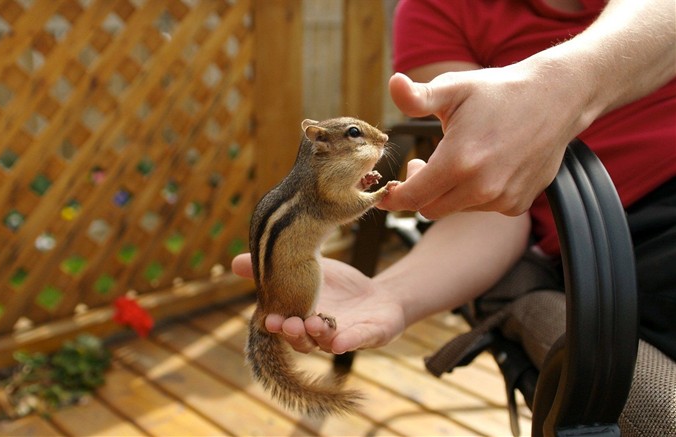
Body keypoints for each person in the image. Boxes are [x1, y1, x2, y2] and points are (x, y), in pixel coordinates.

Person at [232, 0, 675, 361]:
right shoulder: (436, 11)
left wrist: (564, 87)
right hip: (619, 233)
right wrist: (394, 292)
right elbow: (487, 201)